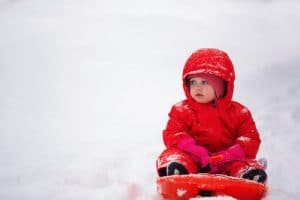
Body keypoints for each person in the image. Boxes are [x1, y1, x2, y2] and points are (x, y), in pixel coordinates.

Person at [156, 48, 267, 183]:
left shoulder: (240, 112)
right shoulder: (181, 110)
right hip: (194, 160)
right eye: (193, 82)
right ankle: (178, 170)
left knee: (244, 162)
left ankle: (247, 174)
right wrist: (194, 150)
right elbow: (174, 133)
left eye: (205, 82)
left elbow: (250, 138)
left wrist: (230, 154)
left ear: (221, 86)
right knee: (171, 154)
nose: (197, 87)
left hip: (228, 161)